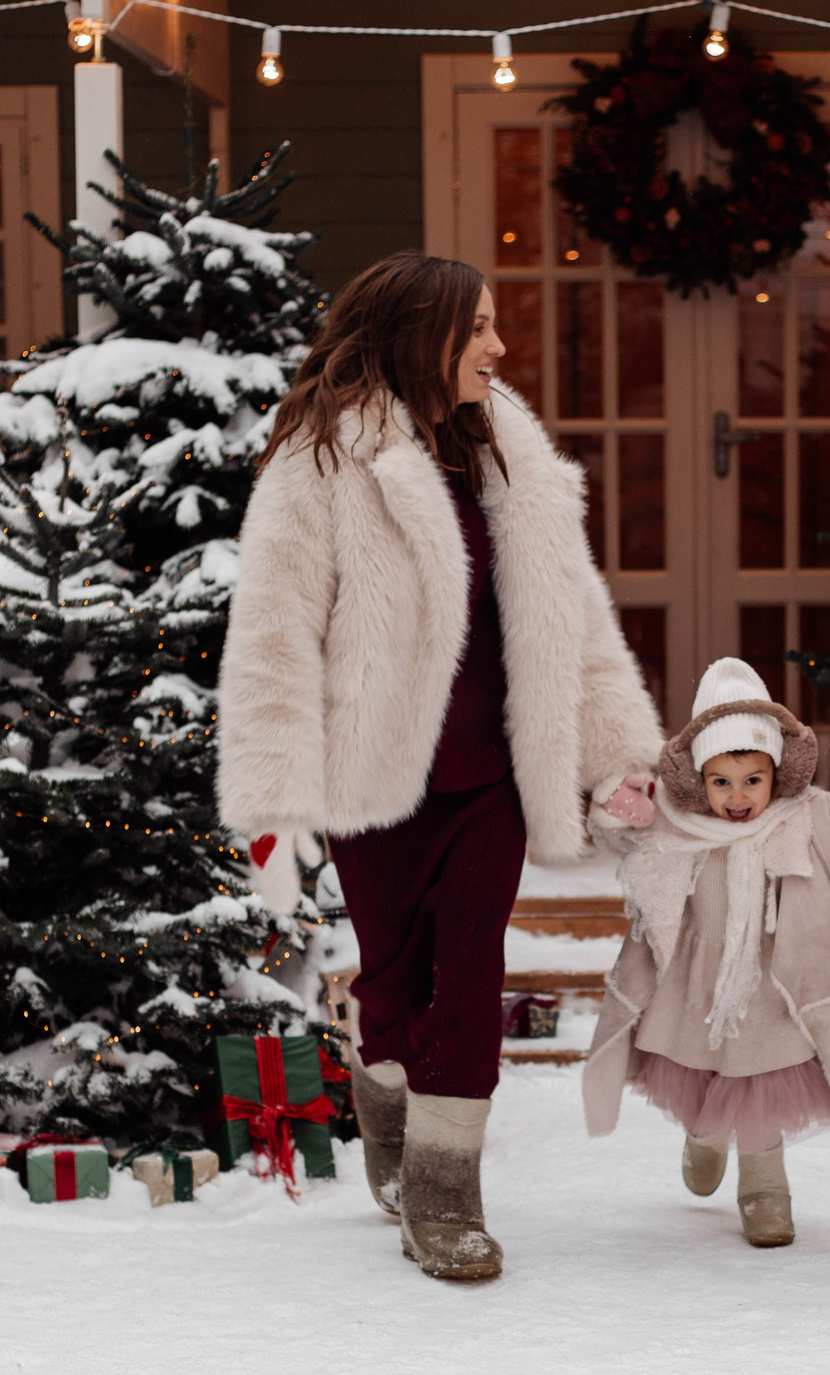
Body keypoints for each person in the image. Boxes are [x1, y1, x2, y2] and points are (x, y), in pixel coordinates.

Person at [217, 252, 663, 1284]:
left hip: (493, 774)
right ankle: (387, 1111)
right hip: (370, 775)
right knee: (390, 979)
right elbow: (274, 635)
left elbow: (574, 617)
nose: (500, 351)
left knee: (468, 975)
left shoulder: (509, 451)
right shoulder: (323, 460)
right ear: (426, 338)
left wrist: (615, 755)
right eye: (481, 331)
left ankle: (445, 1195)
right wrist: (275, 797)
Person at [583, 657, 830, 1246]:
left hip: (774, 981)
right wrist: (622, 807)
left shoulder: (808, 814)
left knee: (760, 1082)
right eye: (721, 782)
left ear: (775, 772)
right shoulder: (678, 816)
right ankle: (704, 1134)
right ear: (699, 779)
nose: (737, 797)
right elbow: (628, 837)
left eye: (752, 780)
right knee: (701, 1074)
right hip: (695, 982)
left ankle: (765, 1188)